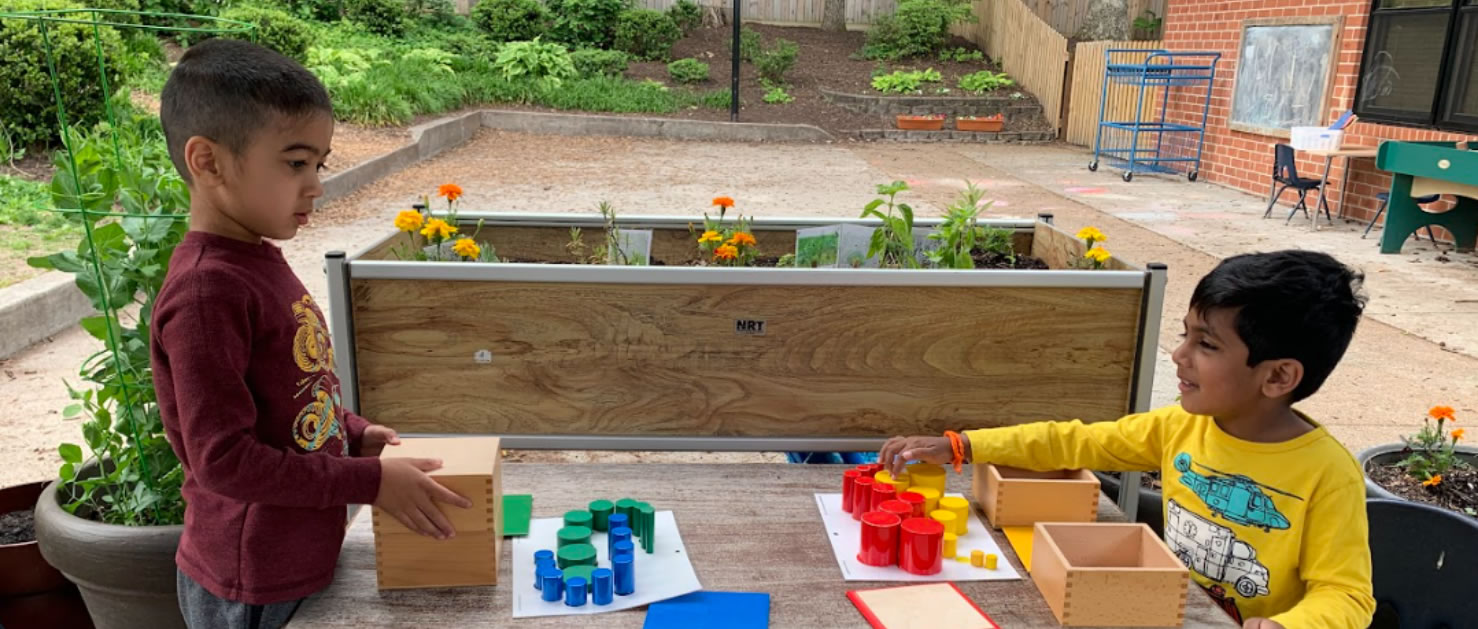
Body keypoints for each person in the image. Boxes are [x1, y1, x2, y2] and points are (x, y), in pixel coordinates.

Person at [151, 38, 470, 629]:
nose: (316, 185)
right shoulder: (206, 292)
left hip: (298, 561)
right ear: (209, 161)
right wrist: (369, 482)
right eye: (295, 163)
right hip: (251, 584)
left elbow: (289, 400)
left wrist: (354, 433)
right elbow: (223, 460)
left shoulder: (256, 258)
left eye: (318, 164)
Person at [880, 250, 1375, 629]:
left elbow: (1348, 596)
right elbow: (1070, 442)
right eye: (1184, 335)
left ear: (1278, 376)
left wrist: (1289, 625)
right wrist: (962, 446)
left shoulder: (1328, 473)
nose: (1179, 355)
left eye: (1206, 344)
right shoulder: (1178, 427)